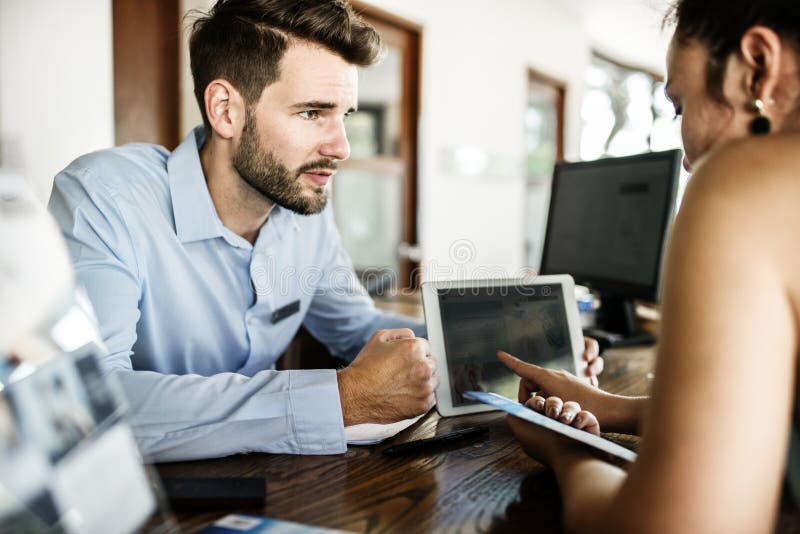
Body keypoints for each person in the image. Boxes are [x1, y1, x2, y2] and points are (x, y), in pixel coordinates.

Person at [47, 0, 444, 462]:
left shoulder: (305, 205)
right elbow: (87, 403)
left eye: (345, 115)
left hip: (265, 490)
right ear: (225, 110)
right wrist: (339, 398)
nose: (341, 147)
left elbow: (356, 327)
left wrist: (477, 335)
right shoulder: (104, 197)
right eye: (313, 113)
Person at [496, 1, 800, 532]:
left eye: (680, 106)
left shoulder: (745, 184)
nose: (684, 157)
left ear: (756, 66)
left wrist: (571, 450)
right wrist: (608, 406)